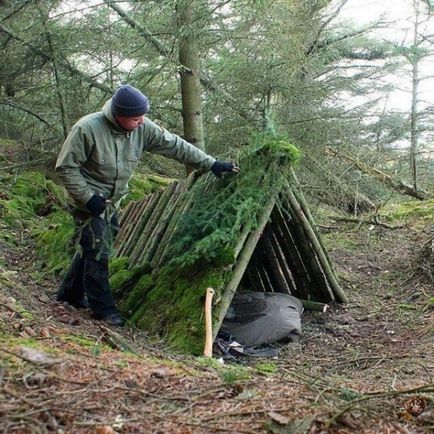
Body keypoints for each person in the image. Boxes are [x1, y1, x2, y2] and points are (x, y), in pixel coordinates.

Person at [55, 84, 239, 326]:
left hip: (111, 201)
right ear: (119, 115)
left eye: (143, 117)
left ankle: (69, 293)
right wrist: (88, 198)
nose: (142, 122)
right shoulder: (87, 129)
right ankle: (103, 309)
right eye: (136, 118)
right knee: (100, 250)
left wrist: (211, 163)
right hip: (87, 200)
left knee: (94, 245)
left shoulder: (141, 127)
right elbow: (66, 169)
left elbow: (174, 145)